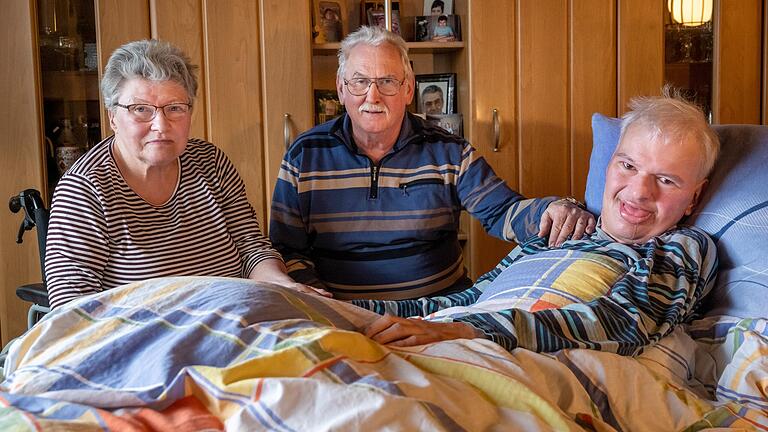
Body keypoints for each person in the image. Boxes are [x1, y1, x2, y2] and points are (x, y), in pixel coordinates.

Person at [359, 89, 720, 356]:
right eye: (628, 165)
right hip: (461, 334)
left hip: (510, 354)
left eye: (667, 180)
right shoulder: (563, 231)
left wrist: (471, 331)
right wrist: (355, 311)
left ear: (695, 198)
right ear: (610, 166)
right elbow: (470, 299)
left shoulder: (682, 246)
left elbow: (626, 322)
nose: (639, 191)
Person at [269, 26, 594, 302]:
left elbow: (503, 212)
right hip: (344, 313)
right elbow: (287, 248)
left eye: (387, 82)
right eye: (359, 82)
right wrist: (320, 301)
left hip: (439, 311)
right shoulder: (304, 154)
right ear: (341, 89)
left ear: (408, 89)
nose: (372, 96)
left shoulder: (449, 150)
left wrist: (552, 210)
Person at [45, 39, 328, 309]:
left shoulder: (211, 163)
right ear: (112, 117)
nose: (160, 125)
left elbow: (251, 249)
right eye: (140, 109)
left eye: (175, 109)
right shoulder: (84, 188)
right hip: (143, 342)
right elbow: (72, 308)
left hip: (232, 323)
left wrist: (284, 285)